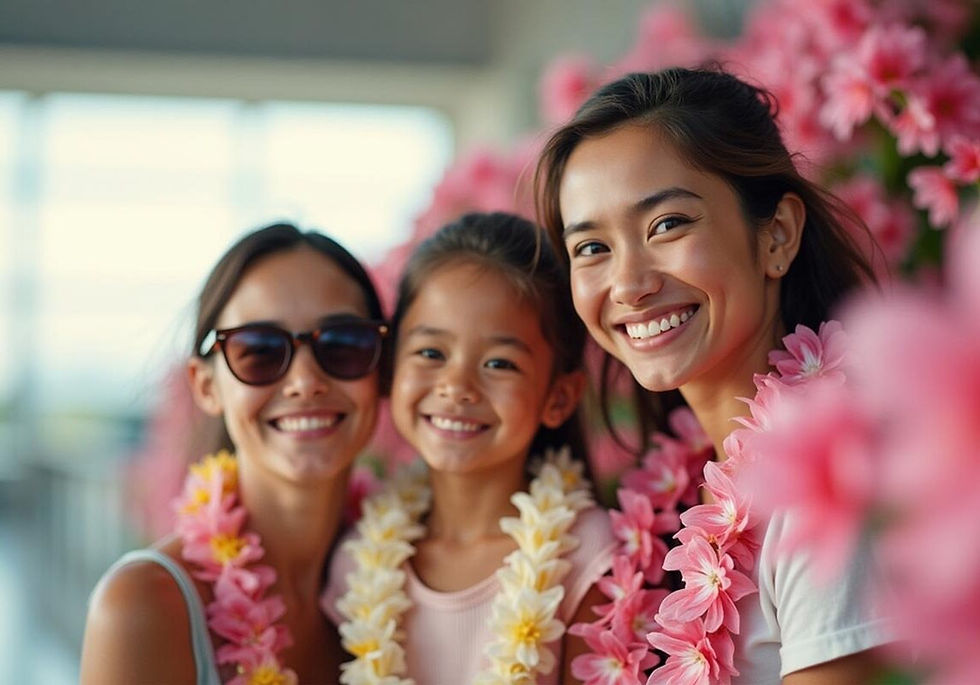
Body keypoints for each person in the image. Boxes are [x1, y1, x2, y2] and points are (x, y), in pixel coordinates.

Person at [535, 67, 891, 683]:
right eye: (591, 248)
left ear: (777, 234)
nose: (630, 284)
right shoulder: (687, 483)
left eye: (667, 225)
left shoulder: (827, 480)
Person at [81, 223, 388, 684]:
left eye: (343, 344)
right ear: (206, 386)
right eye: (259, 350)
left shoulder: (408, 583)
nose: (305, 381)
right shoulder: (144, 605)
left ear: (382, 369)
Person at [321, 212, 617, 684]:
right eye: (431, 353)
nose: (457, 386)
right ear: (392, 367)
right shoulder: (357, 563)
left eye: (499, 362)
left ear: (558, 397)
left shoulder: (586, 555)